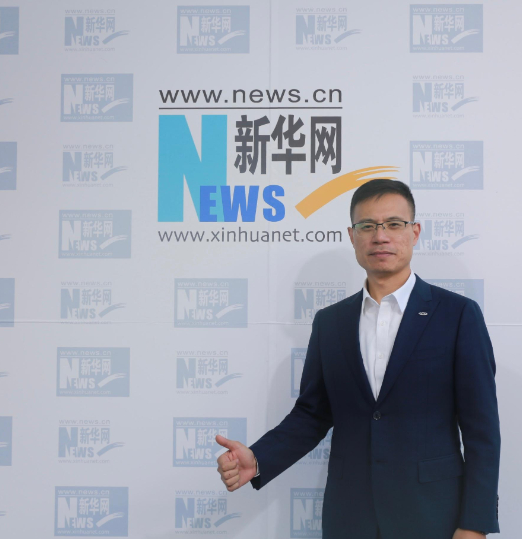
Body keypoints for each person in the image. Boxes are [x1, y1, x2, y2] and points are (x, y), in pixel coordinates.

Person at [215, 179, 501, 539]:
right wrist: (258, 459)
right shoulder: (330, 322)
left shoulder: (457, 315)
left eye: (393, 224)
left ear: (414, 232)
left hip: (433, 515)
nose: (380, 236)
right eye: (367, 226)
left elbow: (481, 430)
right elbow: (312, 414)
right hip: (350, 516)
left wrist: (474, 524)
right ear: (352, 236)